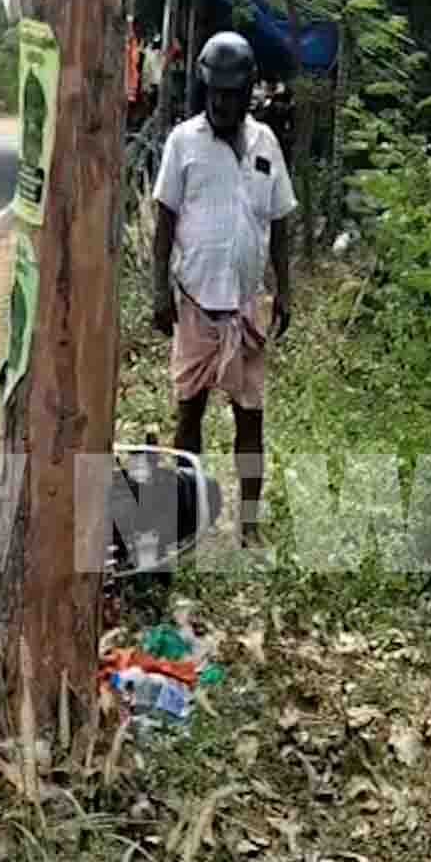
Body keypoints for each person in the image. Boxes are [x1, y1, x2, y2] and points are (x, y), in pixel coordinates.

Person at [150, 31, 296, 547]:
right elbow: (165, 217)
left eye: (233, 95)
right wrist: (158, 291)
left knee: (249, 417)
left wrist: (285, 290)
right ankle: (181, 525)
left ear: (248, 91)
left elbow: (280, 220)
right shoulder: (183, 142)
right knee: (188, 414)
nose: (223, 103)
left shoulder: (265, 144)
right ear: (204, 90)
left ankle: (249, 528)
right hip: (194, 303)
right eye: (215, 94)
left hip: (246, 307)